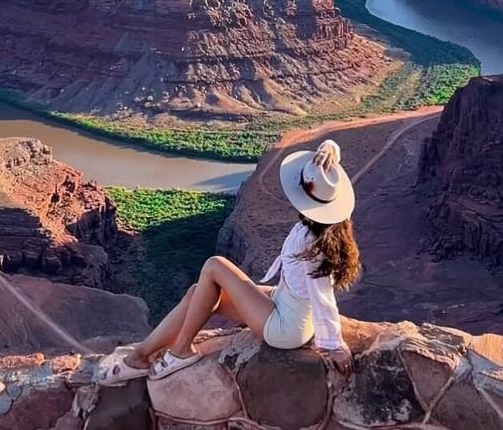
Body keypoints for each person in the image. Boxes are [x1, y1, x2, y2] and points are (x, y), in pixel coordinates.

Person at [107, 139, 360, 380]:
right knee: (199, 292)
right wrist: (330, 149)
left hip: (286, 328)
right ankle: (140, 356)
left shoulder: (312, 241)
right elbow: (329, 168)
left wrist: (334, 344)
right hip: (284, 301)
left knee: (214, 265)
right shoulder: (326, 226)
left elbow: (322, 295)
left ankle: (181, 350)